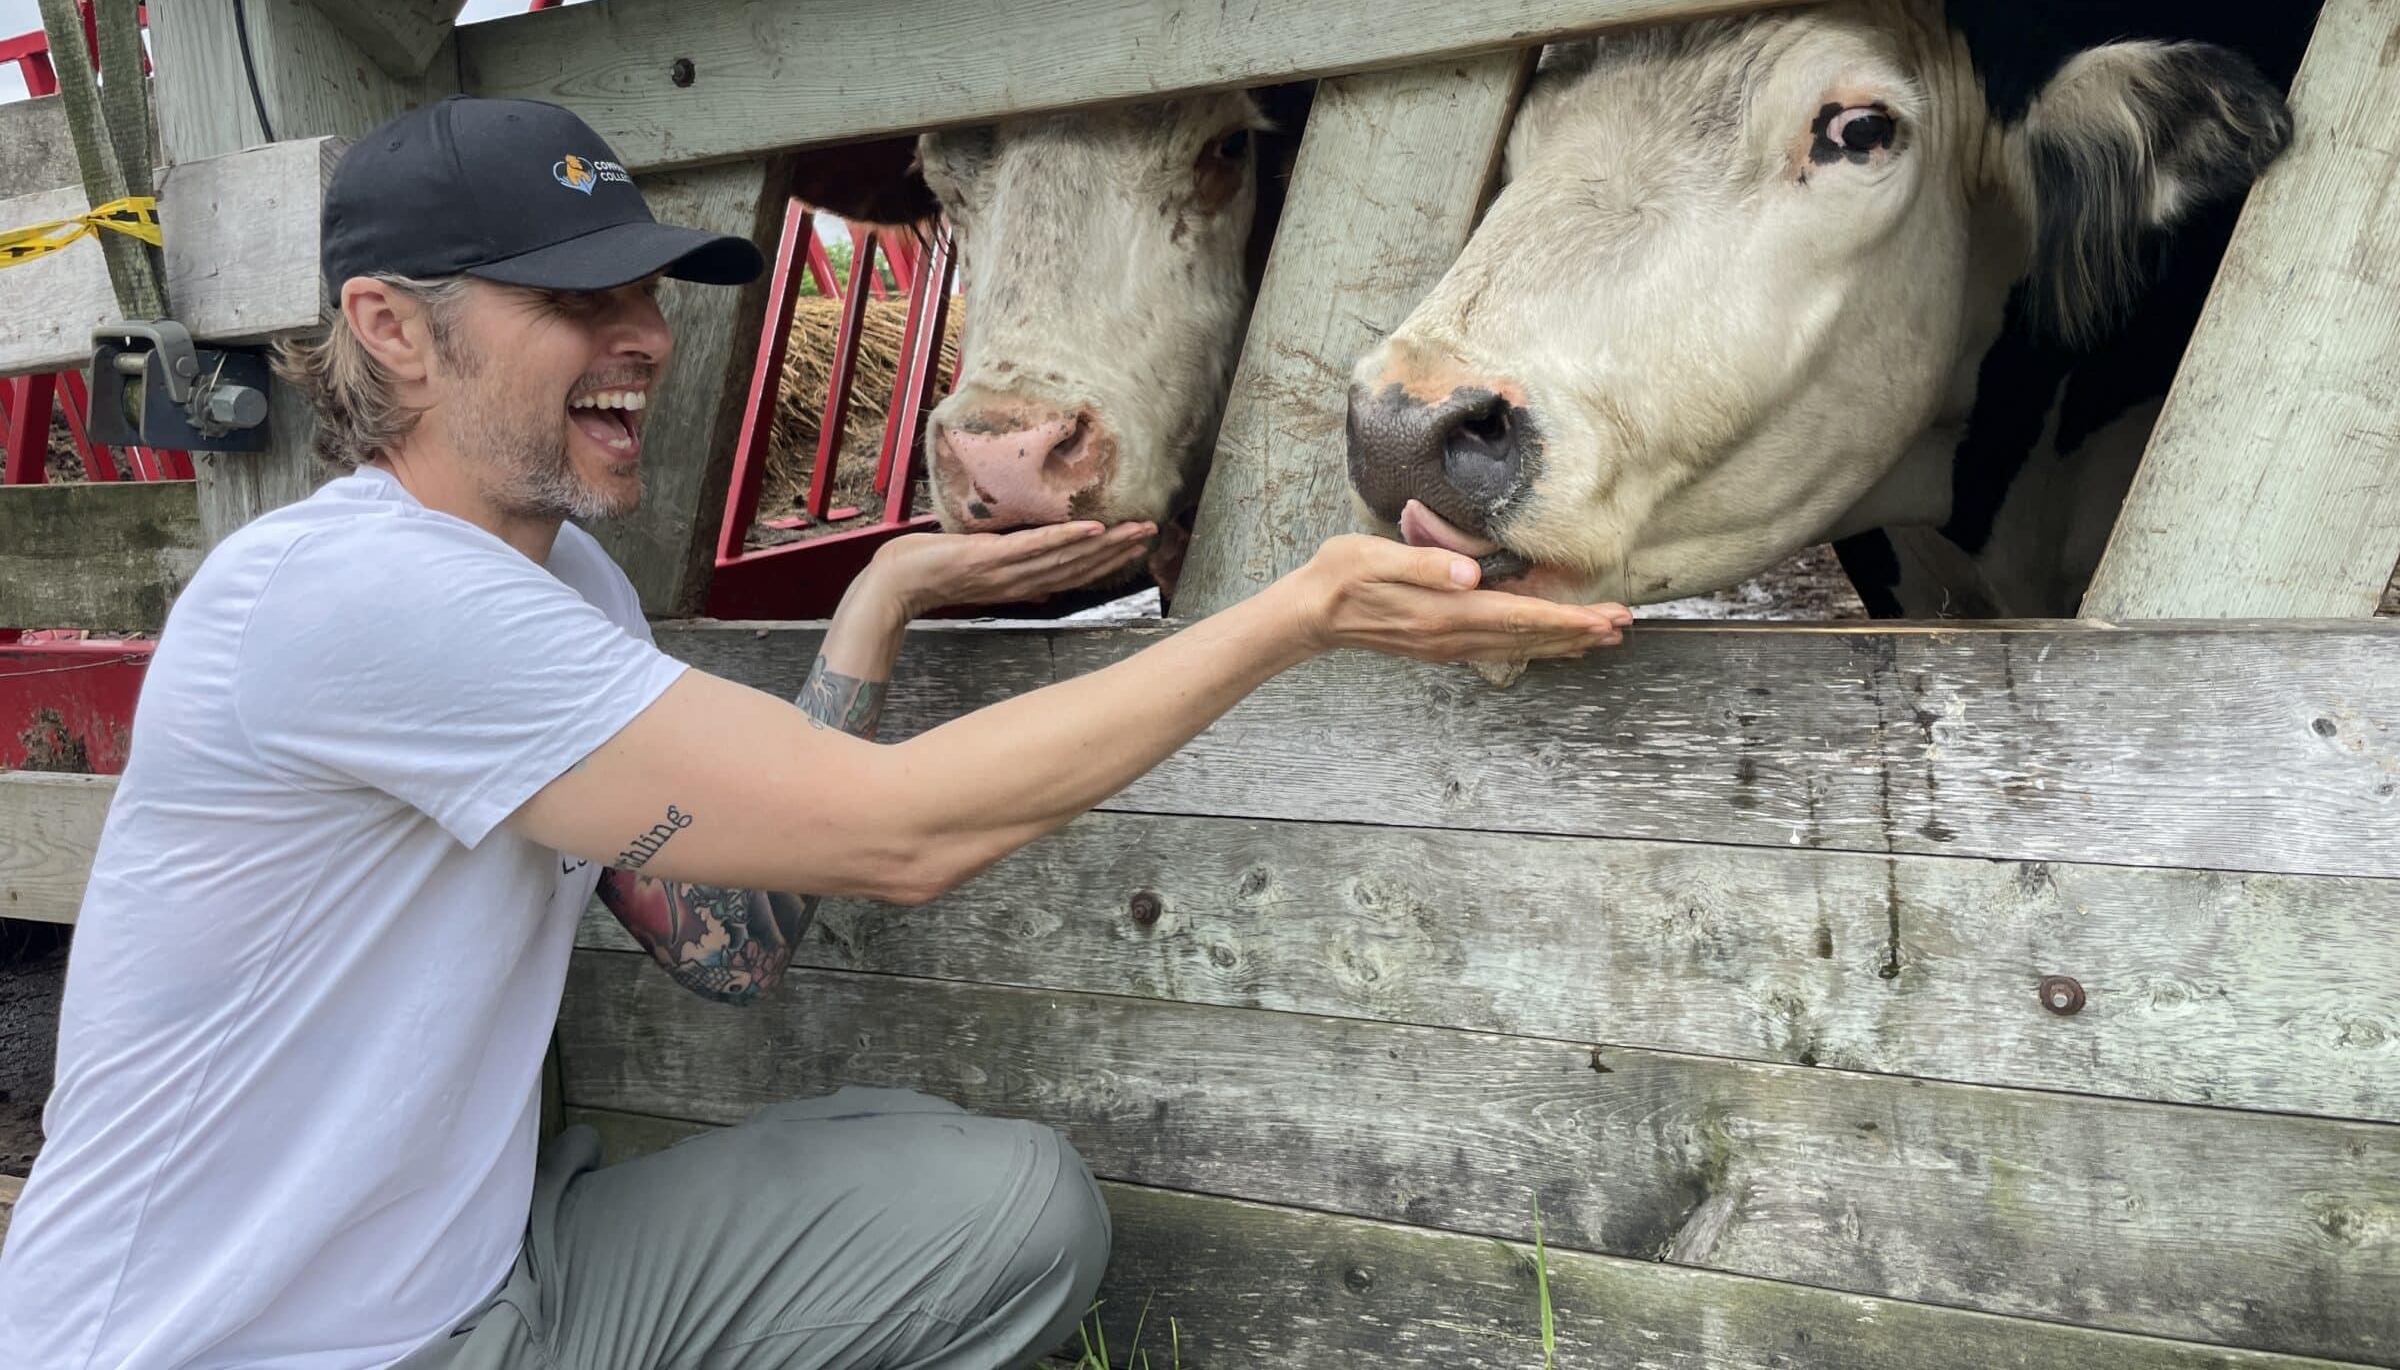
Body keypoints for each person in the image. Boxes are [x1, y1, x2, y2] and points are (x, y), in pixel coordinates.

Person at [0, 97, 1631, 1370]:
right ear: (390, 327)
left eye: (645, 287)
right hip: (238, 1343)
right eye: (571, 295)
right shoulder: (346, 593)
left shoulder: (565, 581)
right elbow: (896, 837)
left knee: (1001, 1206)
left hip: (489, 1274)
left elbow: (731, 947)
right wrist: (1296, 612)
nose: (643, 331)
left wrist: (876, 601)